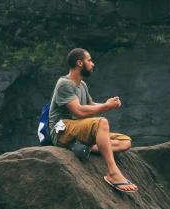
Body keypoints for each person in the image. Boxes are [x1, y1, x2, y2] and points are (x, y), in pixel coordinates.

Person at [48, 48, 137, 193]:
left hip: (77, 128)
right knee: (101, 122)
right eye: (89, 60)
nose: (92, 64)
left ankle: (83, 147)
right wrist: (105, 108)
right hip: (62, 129)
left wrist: (109, 105)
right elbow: (79, 111)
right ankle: (113, 173)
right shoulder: (64, 83)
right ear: (79, 63)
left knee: (125, 142)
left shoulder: (82, 85)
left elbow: (90, 105)